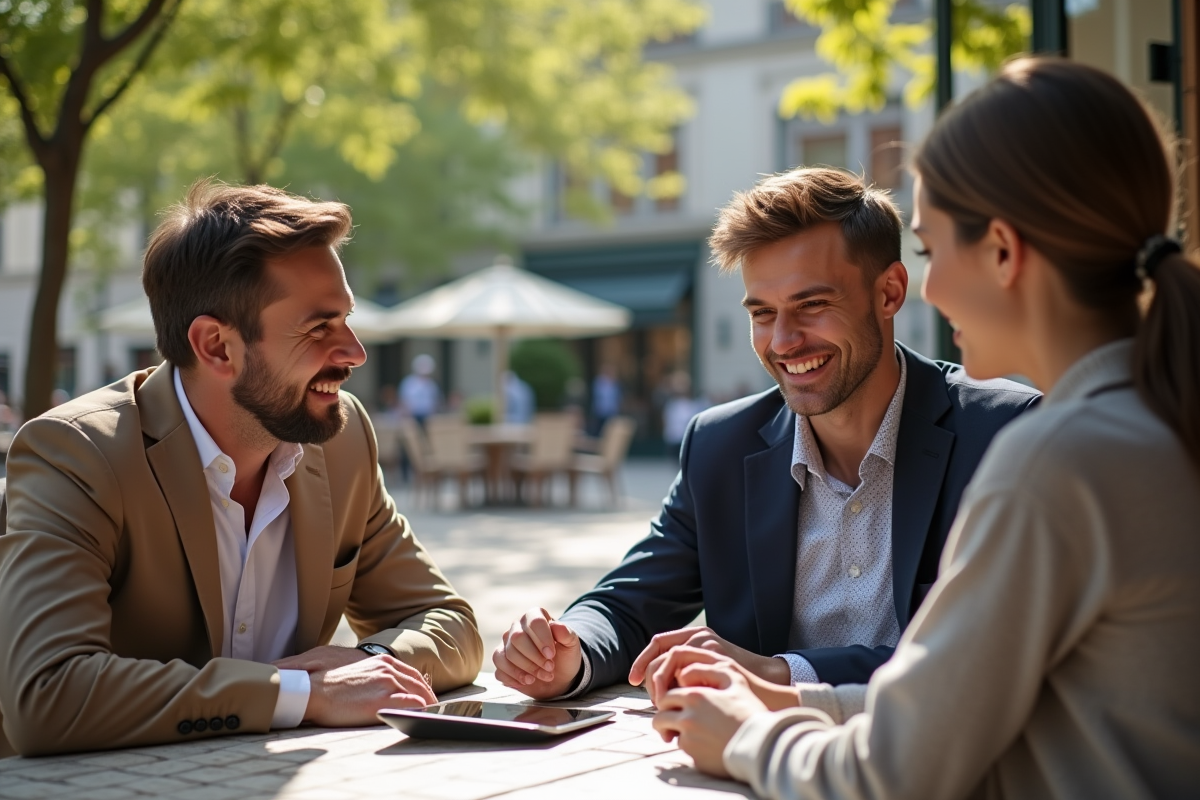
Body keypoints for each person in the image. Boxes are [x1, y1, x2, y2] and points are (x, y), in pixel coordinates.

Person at [651, 58, 1200, 799]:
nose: (928, 290)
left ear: (1004, 252)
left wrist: (748, 736)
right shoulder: (1151, 423)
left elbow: (893, 774)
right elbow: (983, 705)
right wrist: (793, 700)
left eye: (933, 248)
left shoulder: (1057, 460)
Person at [492, 167, 1039, 701]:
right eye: (762, 313)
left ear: (890, 293)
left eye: (812, 305)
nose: (783, 341)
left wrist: (782, 673)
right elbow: (631, 600)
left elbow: (988, 648)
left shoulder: (1004, 436)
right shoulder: (720, 446)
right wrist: (568, 651)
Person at [0, 181, 483, 757]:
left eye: (347, 319)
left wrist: (370, 663)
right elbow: (48, 695)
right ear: (216, 347)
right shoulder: (75, 455)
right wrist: (299, 692)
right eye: (318, 328)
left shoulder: (343, 438)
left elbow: (449, 624)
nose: (354, 352)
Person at [399, 353, 441, 425]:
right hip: (412, 416)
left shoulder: (432, 384)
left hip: (428, 416)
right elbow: (404, 399)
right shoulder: (409, 382)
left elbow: (435, 400)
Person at [590, 366, 621, 435]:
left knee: (609, 431)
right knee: (599, 431)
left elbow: (616, 398)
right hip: (600, 411)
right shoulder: (598, 383)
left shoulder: (615, 384)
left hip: (611, 412)